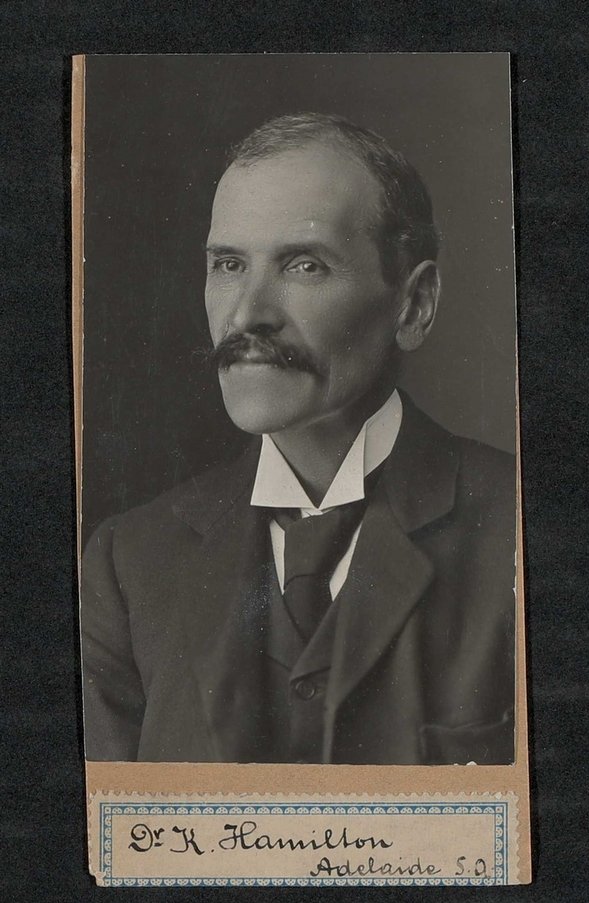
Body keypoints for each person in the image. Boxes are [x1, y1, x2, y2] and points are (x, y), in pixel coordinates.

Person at [81, 113, 515, 765]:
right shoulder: (129, 564)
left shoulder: (520, 531)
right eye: (229, 264)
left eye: (304, 265)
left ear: (414, 304)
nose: (247, 313)